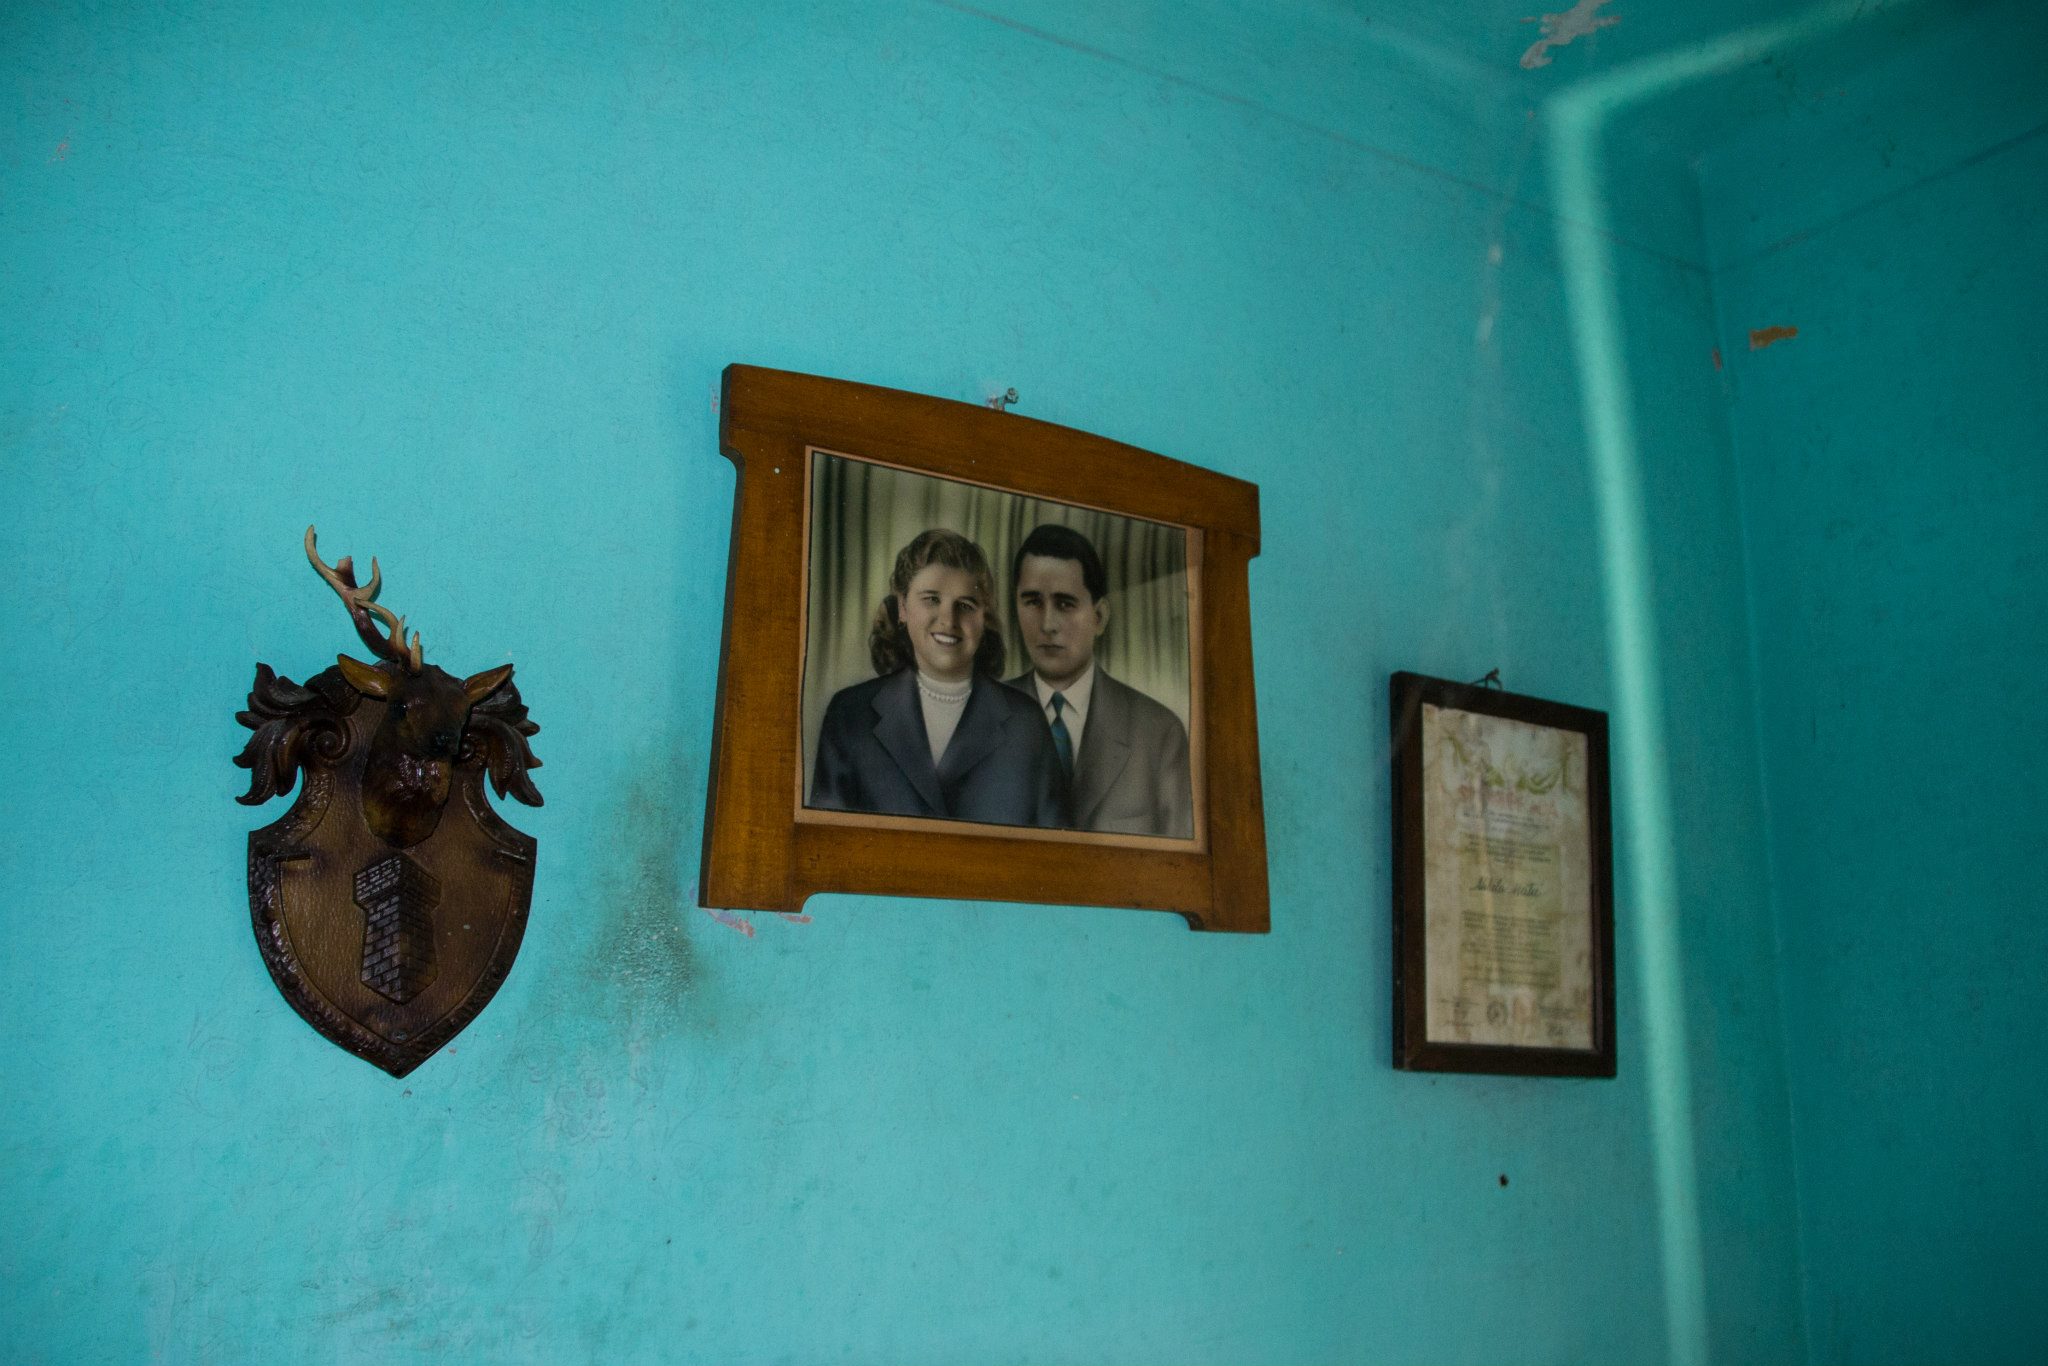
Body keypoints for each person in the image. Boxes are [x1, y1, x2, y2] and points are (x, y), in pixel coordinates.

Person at [811, 529, 1068, 827]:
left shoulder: (1026, 723)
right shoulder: (849, 715)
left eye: (966, 605)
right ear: (903, 607)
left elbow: (1055, 844)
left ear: (983, 618)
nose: (948, 620)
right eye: (932, 599)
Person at [1006, 524, 1194, 839]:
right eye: (1033, 602)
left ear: (1099, 617)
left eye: (1065, 604)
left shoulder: (1159, 733)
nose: (1048, 624)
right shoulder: (983, 718)